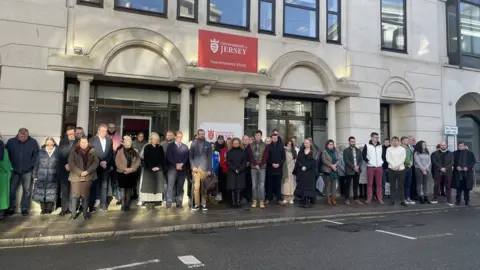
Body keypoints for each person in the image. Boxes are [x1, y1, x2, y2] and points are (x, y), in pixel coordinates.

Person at [5, 128, 39, 216]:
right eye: (21, 136)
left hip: (27, 171)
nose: (23, 138)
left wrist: (31, 166)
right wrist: (10, 166)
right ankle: (11, 207)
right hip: (14, 170)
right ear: (18, 135)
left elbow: (36, 155)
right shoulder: (11, 141)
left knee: (26, 191)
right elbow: (6, 154)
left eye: (25, 136)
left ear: (28, 135)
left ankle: (24, 208)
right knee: (12, 190)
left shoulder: (33, 142)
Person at [68, 136, 99, 220]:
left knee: (85, 196)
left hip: (88, 176)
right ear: (79, 142)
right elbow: (71, 163)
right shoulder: (73, 150)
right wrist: (80, 172)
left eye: (85, 142)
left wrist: (87, 171)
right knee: (75, 196)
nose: (84, 144)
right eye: (82, 142)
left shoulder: (93, 150)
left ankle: (85, 214)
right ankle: (73, 214)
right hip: (75, 176)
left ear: (88, 142)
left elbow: (96, 163)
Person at [89, 124, 114, 212]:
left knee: (104, 186)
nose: (104, 132)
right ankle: (93, 204)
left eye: (105, 131)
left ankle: (103, 204)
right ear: (98, 131)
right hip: (95, 166)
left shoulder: (109, 141)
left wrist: (106, 162)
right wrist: (99, 162)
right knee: (94, 185)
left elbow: (111, 153)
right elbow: (91, 153)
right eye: (102, 130)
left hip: (105, 166)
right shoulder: (92, 140)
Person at [32, 137, 60, 215]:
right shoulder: (40, 152)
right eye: (47, 144)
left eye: (51, 144)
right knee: (41, 192)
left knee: (51, 192)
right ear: (45, 144)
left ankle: (49, 209)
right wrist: (34, 176)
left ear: (54, 143)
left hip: (53, 176)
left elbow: (60, 165)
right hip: (41, 175)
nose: (49, 146)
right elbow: (36, 164)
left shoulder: (58, 152)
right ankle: (43, 209)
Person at [140, 132, 165, 210]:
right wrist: (151, 167)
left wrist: (158, 167)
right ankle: (148, 201)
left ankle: (157, 200)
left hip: (158, 169)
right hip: (149, 169)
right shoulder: (147, 147)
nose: (155, 140)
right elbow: (146, 158)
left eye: (156, 139)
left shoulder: (160, 147)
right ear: (151, 139)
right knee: (149, 186)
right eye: (153, 139)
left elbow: (162, 158)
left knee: (157, 186)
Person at [115, 136, 141, 211]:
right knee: (123, 189)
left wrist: (132, 169)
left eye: (129, 143)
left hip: (131, 173)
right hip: (122, 173)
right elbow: (117, 162)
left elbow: (138, 161)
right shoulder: (120, 151)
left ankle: (127, 204)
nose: (127, 144)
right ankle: (123, 205)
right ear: (124, 143)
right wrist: (124, 169)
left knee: (129, 189)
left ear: (131, 143)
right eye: (126, 142)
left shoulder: (135, 151)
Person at [189, 129, 213, 211]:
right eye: (200, 134)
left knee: (204, 188)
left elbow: (210, 158)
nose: (202, 135)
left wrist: (210, 169)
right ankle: (196, 204)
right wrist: (192, 167)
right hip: (196, 168)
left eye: (203, 134)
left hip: (205, 168)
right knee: (196, 187)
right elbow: (190, 157)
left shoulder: (208, 144)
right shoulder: (193, 143)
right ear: (198, 135)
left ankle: (204, 204)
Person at [58, 126, 78, 216]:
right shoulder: (62, 141)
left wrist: (71, 165)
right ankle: (64, 209)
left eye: (72, 133)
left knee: (73, 191)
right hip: (64, 169)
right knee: (64, 190)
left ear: (75, 133)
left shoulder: (79, 141)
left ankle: (71, 208)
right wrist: (65, 164)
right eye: (69, 134)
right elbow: (60, 154)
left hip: (74, 169)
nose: (70, 135)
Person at [166, 131, 189, 208]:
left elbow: (186, 157)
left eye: (181, 137)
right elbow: (169, 157)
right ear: (175, 137)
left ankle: (179, 202)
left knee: (180, 186)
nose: (180, 138)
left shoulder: (185, 147)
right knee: (170, 186)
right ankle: (169, 202)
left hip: (182, 170)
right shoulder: (170, 146)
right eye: (178, 136)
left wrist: (182, 164)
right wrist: (176, 164)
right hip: (172, 169)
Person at [247, 130, 269, 209]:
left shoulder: (265, 145)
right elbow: (250, 156)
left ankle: (261, 200)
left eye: (259, 135)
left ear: (261, 136)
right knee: (254, 185)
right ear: (255, 136)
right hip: (253, 167)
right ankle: (254, 200)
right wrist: (255, 164)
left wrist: (259, 165)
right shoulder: (250, 145)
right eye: (256, 135)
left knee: (261, 185)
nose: (257, 136)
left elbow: (265, 157)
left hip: (262, 168)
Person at [294, 138, 318, 208]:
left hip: (310, 172)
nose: (306, 144)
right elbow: (298, 160)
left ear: (310, 143)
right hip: (302, 172)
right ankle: (302, 200)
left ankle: (307, 201)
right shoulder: (301, 151)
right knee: (302, 186)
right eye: (304, 143)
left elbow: (313, 162)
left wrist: (306, 167)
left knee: (309, 186)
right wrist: (301, 166)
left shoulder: (313, 152)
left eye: (307, 143)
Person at [362, 132, 383, 204]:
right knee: (370, 184)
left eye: (377, 137)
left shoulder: (380, 146)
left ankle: (380, 198)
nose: (377, 138)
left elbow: (382, 155)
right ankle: (369, 198)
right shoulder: (367, 145)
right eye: (375, 137)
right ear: (371, 137)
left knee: (379, 184)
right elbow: (363, 155)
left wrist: (381, 161)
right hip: (370, 166)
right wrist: (368, 162)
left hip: (379, 166)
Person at [386, 136, 407, 207]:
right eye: (393, 140)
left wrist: (397, 166)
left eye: (396, 141)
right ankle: (392, 200)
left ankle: (402, 200)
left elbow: (403, 158)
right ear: (391, 142)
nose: (395, 142)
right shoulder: (389, 149)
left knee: (401, 185)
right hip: (391, 169)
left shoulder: (402, 149)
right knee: (392, 185)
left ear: (399, 141)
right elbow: (388, 158)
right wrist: (394, 166)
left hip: (400, 169)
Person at [453, 141, 476, 206]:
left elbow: (473, 162)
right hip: (458, 173)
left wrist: (468, 167)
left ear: (465, 146)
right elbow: (452, 162)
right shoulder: (455, 153)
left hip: (467, 173)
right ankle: (458, 201)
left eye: (461, 146)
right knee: (458, 188)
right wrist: (456, 167)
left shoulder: (470, 153)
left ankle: (467, 201)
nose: (460, 147)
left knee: (467, 188)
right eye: (459, 146)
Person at [431, 141, 454, 205]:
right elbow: (434, 162)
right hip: (438, 172)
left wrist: (445, 168)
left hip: (448, 172)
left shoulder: (450, 153)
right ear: (440, 146)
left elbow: (451, 162)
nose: (443, 146)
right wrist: (441, 168)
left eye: (444, 145)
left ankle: (449, 200)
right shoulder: (434, 153)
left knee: (448, 186)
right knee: (436, 185)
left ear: (446, 145)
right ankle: (435, 198)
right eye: (441, 145)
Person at [226, 138, 247, 208]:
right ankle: (233, 203)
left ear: (239, 143)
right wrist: (235, 169)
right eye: (234, 143)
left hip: (241, 172)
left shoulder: (243, 151)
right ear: (232, 144)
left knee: (239, 188)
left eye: (237, 143)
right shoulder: (229, 152)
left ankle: (238, 202)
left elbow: (244, 162)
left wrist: (239, 169)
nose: (236, 144)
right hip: (232, 172)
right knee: (232, 188)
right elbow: (228, 162)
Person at [343, 136, 364, 205]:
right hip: (349, 170)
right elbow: (346, 160)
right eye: (352, 141)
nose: (353, 143)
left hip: (357, 170)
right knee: (348, 185)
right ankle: (347, 199)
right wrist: (353, 167)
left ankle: (356, 198)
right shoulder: (346, 150)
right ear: (349, 142)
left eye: (354, 141)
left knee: (356, 185)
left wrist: (358, 166)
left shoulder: (358, 150)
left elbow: (361, 159)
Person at [267, 134, 285, 204]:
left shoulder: (281, 147)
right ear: (271, 138)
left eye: (276, 138)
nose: (274, 139)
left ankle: (279, 199)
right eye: (273, 138)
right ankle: (269, 198)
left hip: (279, 169)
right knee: (269, 184)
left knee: (278, 184)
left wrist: (279, 164)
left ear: (277, 139)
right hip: (270, 168)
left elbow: (283, 158)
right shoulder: (268, 147)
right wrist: (272, 164)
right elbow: (267, 158)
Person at [107, 123, 121, 205]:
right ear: (108, 128)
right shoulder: (104, 136)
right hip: (105, 161)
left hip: (115, 161)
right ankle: (103, 198)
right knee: (104, 182)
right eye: (110, 128)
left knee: (115, 181)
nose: (111, 129)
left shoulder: (118, 137)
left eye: (113, 128)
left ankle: (117, 197)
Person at [322, 140, 340, 205]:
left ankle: (333, 198)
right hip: (327, 171)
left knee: (334, 186)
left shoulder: (335, 152)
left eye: (332, 144)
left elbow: (338, 159)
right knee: (328, 186)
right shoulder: (324, 152)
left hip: (335, 170)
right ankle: (328, 199)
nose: (331, 145)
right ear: (327, 145)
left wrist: (335, 165)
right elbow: (324, 161)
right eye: (330, 144)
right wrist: (332, 165)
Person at [0, 134, 12, 220]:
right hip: (4, 175)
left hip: (3, 176)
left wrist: (9, 170)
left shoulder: (4, 150)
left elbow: (7, 162)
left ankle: (1, 212)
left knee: (3, 194)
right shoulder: (4, 149)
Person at [282, 139, 297, 205]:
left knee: (292, 183)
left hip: (292, 168)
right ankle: (285, 198)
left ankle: (291, 198)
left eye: (290, 144)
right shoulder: (283, 150)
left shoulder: (294, 151)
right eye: (288, 143)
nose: (289, 145)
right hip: (286, 168)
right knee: (285, 183)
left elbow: (296, 159)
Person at [401, 136, 415, 205]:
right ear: (403, 141)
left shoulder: (409, 148)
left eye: (408, 140)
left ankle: (408, 197)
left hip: (409, 168)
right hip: (403, 167)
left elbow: (411, 156)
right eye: (406, 140)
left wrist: (411, 163)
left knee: (408, 184)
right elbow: (401, 158)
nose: (408, 141)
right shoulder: (400, 148)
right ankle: (403, 198)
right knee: (403, 184)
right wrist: (408, 163)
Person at [219, 138, 231, 203]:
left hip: (232, 171)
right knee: (224, 185)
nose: (228, 143)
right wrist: (225, 168)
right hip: (224, 171)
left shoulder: (233, 150)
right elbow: (221, 162)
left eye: (230, 142)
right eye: (227, 142)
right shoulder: (223, 150)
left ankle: (230, 198)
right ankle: (224, 198)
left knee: (230, 185)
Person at [242, 135, 252, 202]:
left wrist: (250, 162)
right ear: (242, 140)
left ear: (249, 140)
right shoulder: (240, 148)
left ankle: (249, 197)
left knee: (249, 183)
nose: (245, 140)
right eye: (244, 139)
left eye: (247, 139)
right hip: (242, 169)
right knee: (242, 183)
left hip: (250, 168)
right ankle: (243, 197)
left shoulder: (251, 148)